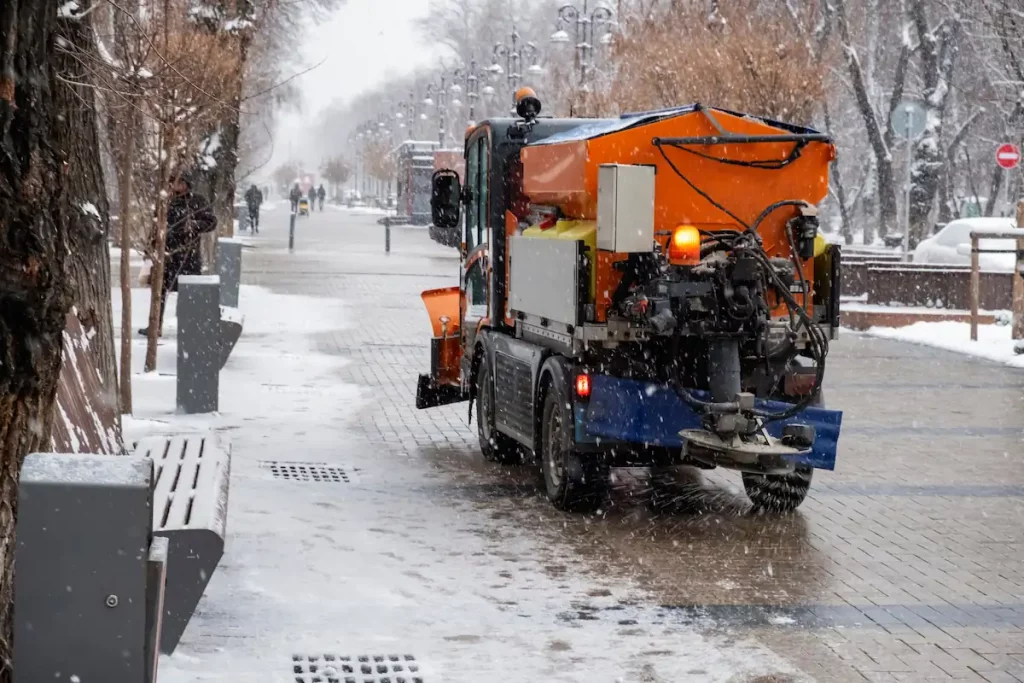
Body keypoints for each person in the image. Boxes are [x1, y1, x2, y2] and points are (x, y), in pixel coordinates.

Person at [139, 171, 218, 337]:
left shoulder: (197, 201)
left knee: (188, 293)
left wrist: (194, 225)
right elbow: (155, 226)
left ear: (187, 184)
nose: (176, 185)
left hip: (188, 255)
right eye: (173, 182)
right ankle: (155, 326)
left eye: (180, 182)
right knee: (159, 292)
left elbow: (211, 222)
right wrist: (150, 248)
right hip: (166, 255)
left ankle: (190, 328)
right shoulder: (165, 201)